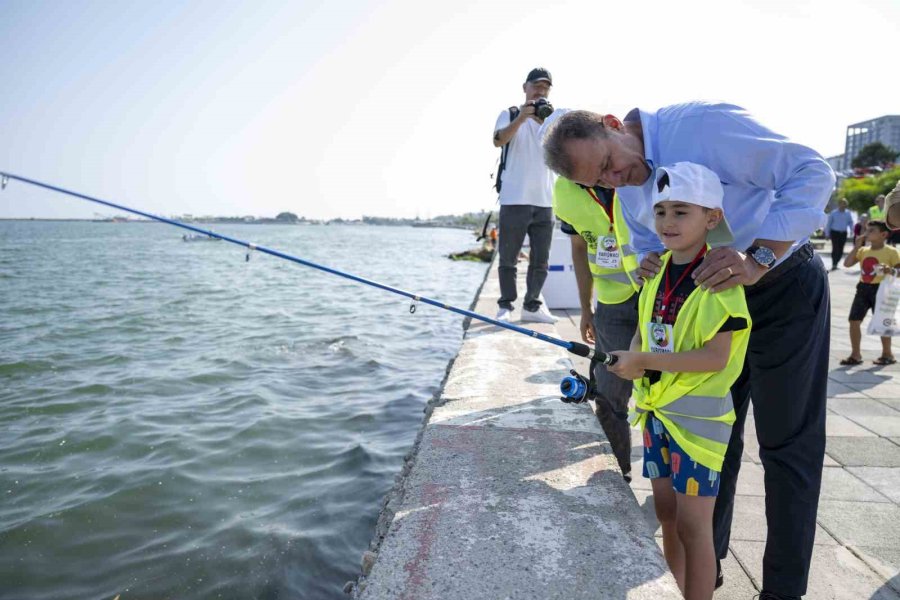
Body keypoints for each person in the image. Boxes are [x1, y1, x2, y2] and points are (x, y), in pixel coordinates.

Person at [543, 102, 834, 600]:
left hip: (781, 286)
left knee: (787, 447)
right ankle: (706, 575)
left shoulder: (702, 126)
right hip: (704, 305)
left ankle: (783, 591)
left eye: (612, 164)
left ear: (614, 125)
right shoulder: (623, 185)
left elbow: (812, 173)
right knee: (717, 441)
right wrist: (649, 265)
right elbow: (638, 238)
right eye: (603, 183)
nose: (618, 179)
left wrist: (757, 257)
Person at [608, 162, 750, 600]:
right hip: (657, 417)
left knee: (694, 527)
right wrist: (630, 358)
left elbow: (715, 357)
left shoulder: (721, 280)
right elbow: (643, 330)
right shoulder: (654, 270)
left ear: (712, 218)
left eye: (681, 211)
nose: (667, 222)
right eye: (662, 211)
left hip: (698, 427)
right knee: (667, 514)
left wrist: (645, 358)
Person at [552, 178, 640, 480]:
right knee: (608, 394)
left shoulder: (634, 163)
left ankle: (671, 483)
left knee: (667, 394)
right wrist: (585, 308)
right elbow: (579, 247)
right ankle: (619, 476)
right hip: (612, 304)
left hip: (664, 295)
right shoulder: (564, 190)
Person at [491, 67, 558, 324]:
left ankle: (532, 305)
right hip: (514, 198)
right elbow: (498, 140)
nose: (540, 91)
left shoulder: (551, 118)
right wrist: (521, 118)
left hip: (545, 200)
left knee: (541, 260)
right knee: (508, 258)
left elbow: (563, 148)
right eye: (536, 86)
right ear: (525, 87)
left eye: (545, 87)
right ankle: (505, 305)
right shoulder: (509, 114)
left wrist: (545, 122)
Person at [840, 220, 900, 366]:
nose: (866, 234)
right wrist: (856, 246)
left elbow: (898, 272)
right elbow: (847, 263)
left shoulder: (892, 252)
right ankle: (856, 354)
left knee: (882, 321)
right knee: (854, 320)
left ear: (884, 234)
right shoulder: (863, 251)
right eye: (866, 230)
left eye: (871, 231)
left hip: (882, 288)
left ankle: (887, 354)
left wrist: (890, 270)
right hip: (863, 288)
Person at [825, 199, 854, 270]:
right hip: (834, 232)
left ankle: (836, 262)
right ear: (839, 204)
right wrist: (827, 234)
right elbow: (829, 224)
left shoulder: (848, 213)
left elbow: (850, 222)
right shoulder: (833, 213)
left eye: (844, 203)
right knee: (835, 248)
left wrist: (851, 230)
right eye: (841, 203)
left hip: (843, 233)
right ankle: (834, 263)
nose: (843, 205)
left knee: (841, 249)